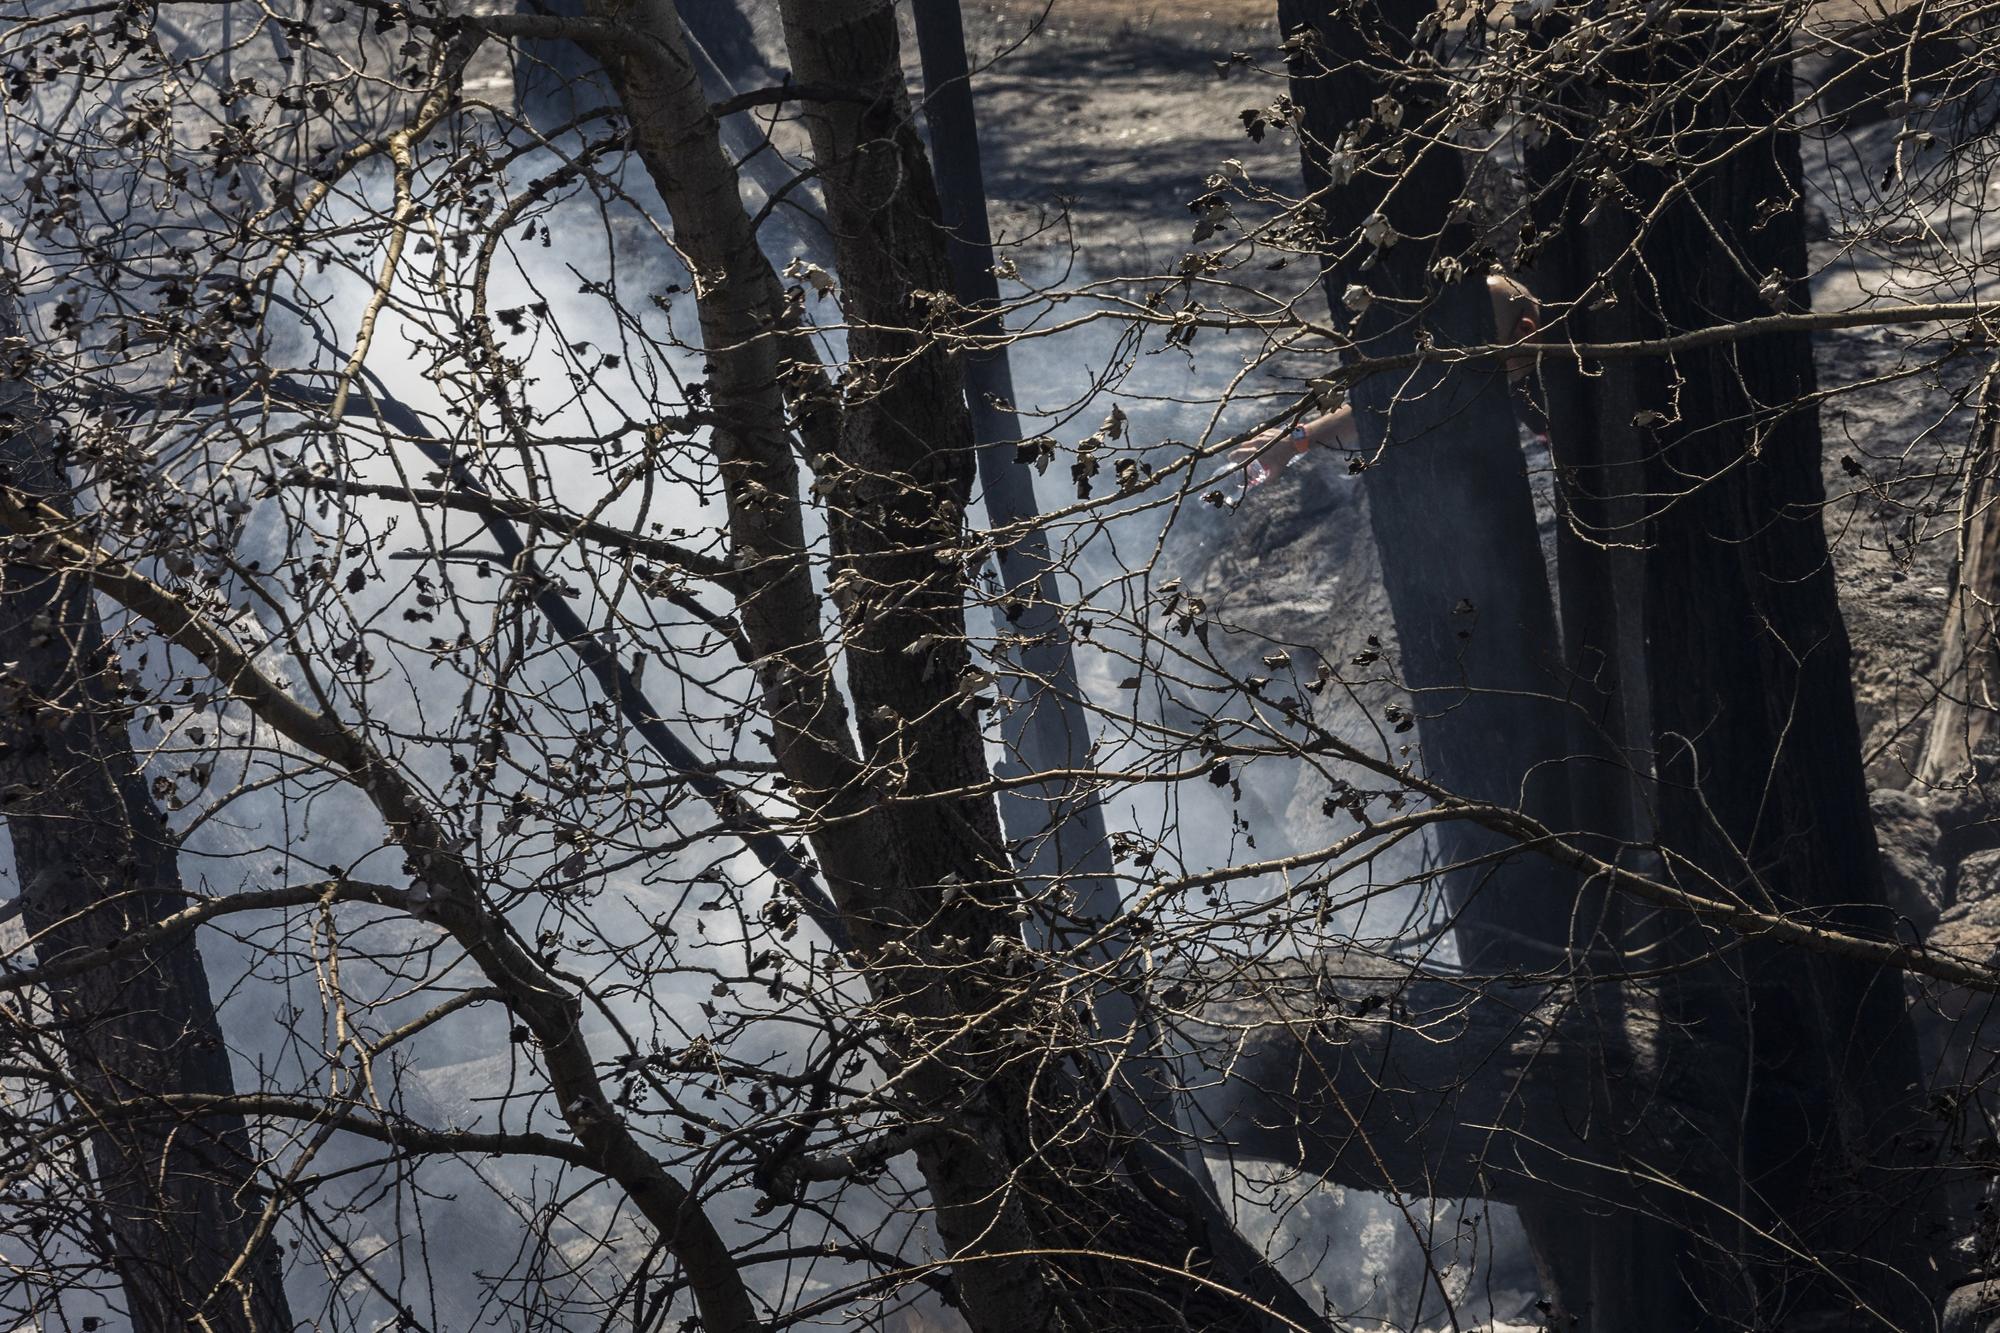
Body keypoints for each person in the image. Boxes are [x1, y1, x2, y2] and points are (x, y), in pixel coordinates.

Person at [1228, 273, 1540, 487]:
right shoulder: (1509, 369)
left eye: (1477, 353)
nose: (1464, 369)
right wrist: (1296, 442)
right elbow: (1392, 404)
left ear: (1525, 331)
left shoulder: (1566, 378)